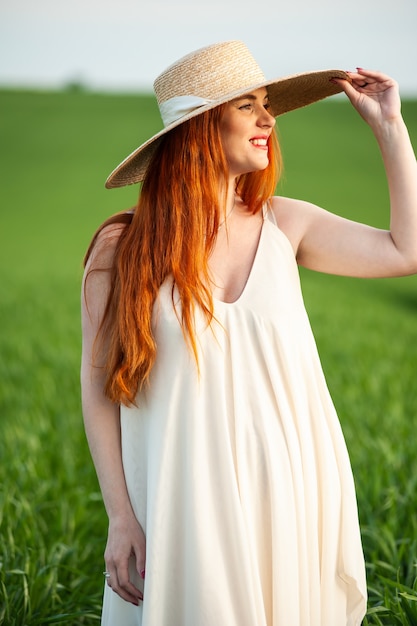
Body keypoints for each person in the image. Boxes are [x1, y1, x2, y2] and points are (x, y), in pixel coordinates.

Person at [80, 40, 417, 626]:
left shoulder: (288, 224)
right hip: (182, 504)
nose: (268, 121)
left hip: (292, 500)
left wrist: (390, 127)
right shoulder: (122, 248)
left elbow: (405, 249)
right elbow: (98, 387)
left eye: (268, 105)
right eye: (247, 107)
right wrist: (121, 517)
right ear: (201, 128)